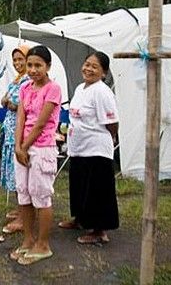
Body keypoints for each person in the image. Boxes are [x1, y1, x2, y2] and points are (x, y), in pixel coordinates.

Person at [58, 52, 120, 244]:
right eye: (86, 64)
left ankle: (99, 231)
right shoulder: (80, 88)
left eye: (94, 67)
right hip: (78, 147)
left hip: (96, 149)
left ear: (104, 72)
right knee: (79, 186)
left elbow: (112, 122)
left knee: (97, 190)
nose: (88, 69)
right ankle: (80, 219)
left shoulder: (102, 91)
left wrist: (109, 138)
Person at [10, 45, 61, 265]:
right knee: (24, 193)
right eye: (30, 65)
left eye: (38, 65)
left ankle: (43, 244)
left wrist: (25, 145)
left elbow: (41, 123)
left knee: (41, 195)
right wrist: (17, 145)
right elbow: (21, 117)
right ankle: (28, 240)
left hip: (41, 148)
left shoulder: (53, 89)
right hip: (23, 147)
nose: (32, 69)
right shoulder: (25, 88)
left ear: (48, 66)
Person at [0, 45, 30, 234]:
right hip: (11, 131)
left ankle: (23, 216)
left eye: (21, 59)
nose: (18, 63)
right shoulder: (18, 79)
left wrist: (10, 104)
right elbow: (7, 99)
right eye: (15, 60)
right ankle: (20, 210)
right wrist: (6, 101)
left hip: (19, 133)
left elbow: (19, 105)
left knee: (20, 175)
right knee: (14, 173)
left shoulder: (28, 80)